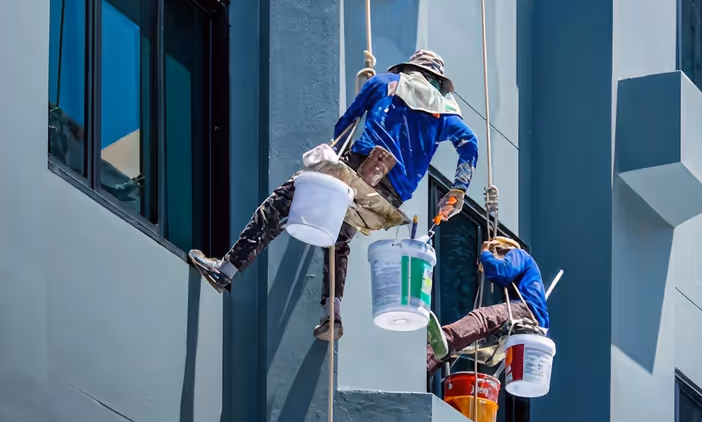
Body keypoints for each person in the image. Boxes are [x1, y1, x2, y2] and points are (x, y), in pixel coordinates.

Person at [188, 50, 478, 341]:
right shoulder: (443, 114)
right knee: (338, 239)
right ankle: (332, 315)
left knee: (283, 202)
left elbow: (345, 125)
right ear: (436, 82)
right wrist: (458, 189)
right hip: (387, 201)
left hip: (358, 173)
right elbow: (469, 144)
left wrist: (366, 96)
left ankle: (225, 269)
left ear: (410, 69)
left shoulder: (385, 83)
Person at [426, 237, 551, 375]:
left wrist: (485, 253)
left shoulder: (518, 254)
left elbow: (501, 270)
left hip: (527, 310)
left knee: (482, 318)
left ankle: (446, 339)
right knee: (465, 342)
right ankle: (428, 362)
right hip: (534, 321)